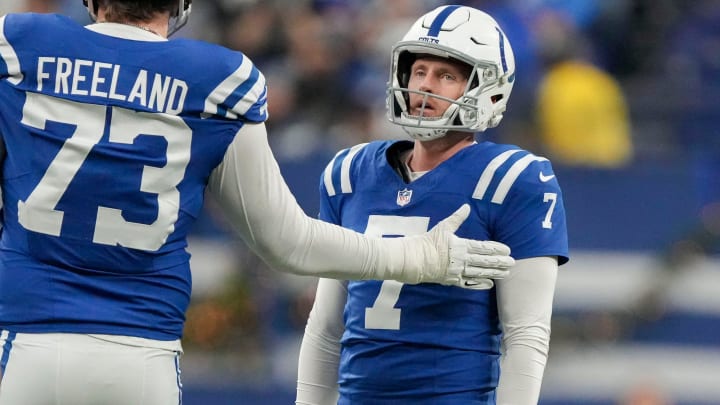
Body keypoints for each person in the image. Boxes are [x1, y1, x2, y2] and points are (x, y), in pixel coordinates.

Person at [0, 1, 517, 404]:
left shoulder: (20, 45)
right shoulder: (217, 79)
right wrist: (417, 257)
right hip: (141, 355)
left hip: (23, 342)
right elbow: (288, 243)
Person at [296, 5, 569, 405]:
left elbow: (526, 334)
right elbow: (325, 327)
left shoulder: (512, 179)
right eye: (419, 71)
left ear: (487, 89)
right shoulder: (350, 173)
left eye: (446, 76)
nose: (425, 86)